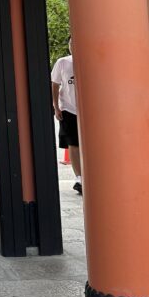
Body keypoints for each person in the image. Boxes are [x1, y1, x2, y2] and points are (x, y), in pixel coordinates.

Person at [51, 38, 82, 195]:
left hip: (88, 112)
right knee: (73, 145)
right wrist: (56, 107)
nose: (72, 46)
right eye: (70, 44)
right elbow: (55, 85)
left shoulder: (89, 60)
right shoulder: (62, 62)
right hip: (69, 109)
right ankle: (79, 178)